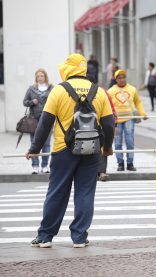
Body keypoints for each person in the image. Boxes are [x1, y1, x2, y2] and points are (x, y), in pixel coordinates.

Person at [26, 53, 115, 248]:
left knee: (57, 192)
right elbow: (109, 124)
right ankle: (80, 237)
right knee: (85, 193)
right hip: (92, 150)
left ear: (68, 68)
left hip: (63, 150)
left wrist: (34, 148)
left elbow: (45, 123)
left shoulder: (58, 91)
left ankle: (45, 237)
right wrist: (106, 148)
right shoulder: (99, 92)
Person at [108, 69, 148, 171]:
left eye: (123, 77)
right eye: (119, 78)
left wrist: (143, 113)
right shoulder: (111, 91)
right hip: (116, 120)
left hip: (129, 118)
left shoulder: (132, 89)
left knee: (130, 141)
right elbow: (107, 105)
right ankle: (120, 163)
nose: (122, 80)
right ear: (116, 79)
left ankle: (130, 163)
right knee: (117, 142)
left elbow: (138, 102)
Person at [23, 69, 54, 174]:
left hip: (47, 119)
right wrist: (32, 102)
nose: (40, 78)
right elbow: (25, 102)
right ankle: (35, 166)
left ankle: (45, 166)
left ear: (45, 77)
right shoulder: (31, 89)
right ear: (36, 78)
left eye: (42, 76)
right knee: (34, 142)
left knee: (46, 144)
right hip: (34, 120)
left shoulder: (51, 88)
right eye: (38, 76)